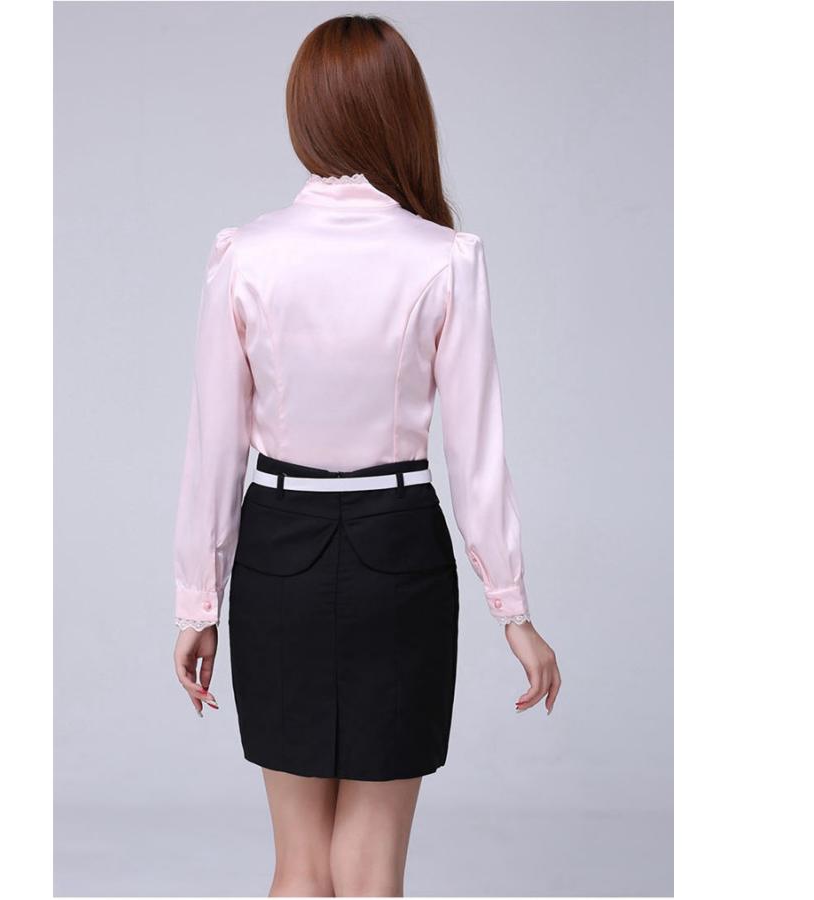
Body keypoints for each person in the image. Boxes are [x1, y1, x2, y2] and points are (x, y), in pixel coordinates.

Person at [171, 14, 561, 898]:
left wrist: (197, 601)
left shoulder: (245, 255)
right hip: (400, 550)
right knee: (371, 868)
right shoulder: (445, 258)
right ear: (401, 111)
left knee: (300, 865)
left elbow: (213, 446)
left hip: (277, 551)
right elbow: (478, 452)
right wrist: (513, 611)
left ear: (305, 114)